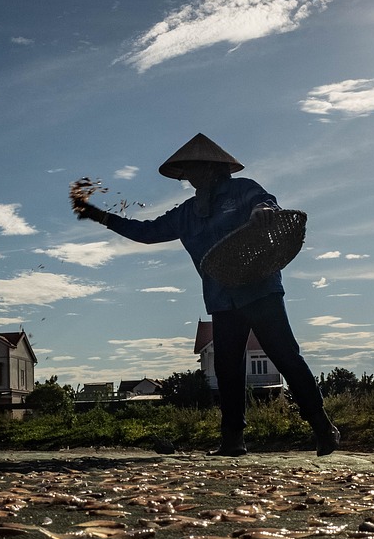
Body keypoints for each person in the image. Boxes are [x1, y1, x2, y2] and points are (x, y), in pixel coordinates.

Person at [71, 133, 339, 457]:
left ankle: (323, 427)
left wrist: (264, 212)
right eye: (186, 172)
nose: (188, 178)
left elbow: (266, 203)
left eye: (193, 169)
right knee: (227, 369)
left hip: (259, 288)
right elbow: (145, 232)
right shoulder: (186, 213)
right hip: (221, 296)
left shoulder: (242, 190)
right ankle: (232, 440)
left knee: (285, 356)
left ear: (211, 167)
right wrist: (101, 216)